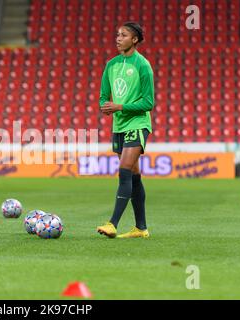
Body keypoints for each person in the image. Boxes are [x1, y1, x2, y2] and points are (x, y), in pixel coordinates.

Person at [96, 22, 155, 239]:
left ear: (135, 40)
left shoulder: (143, 65)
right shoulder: (111, 65)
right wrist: (105, 105)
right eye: (117, 34)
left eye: (124, 35)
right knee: (134, 176)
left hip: (138, 123)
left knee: (124, 170)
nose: (118, 38)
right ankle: (141, 228)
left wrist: (119, 106)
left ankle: (112, 223)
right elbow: (104, 94)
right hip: (119, 125)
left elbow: (148, 102)